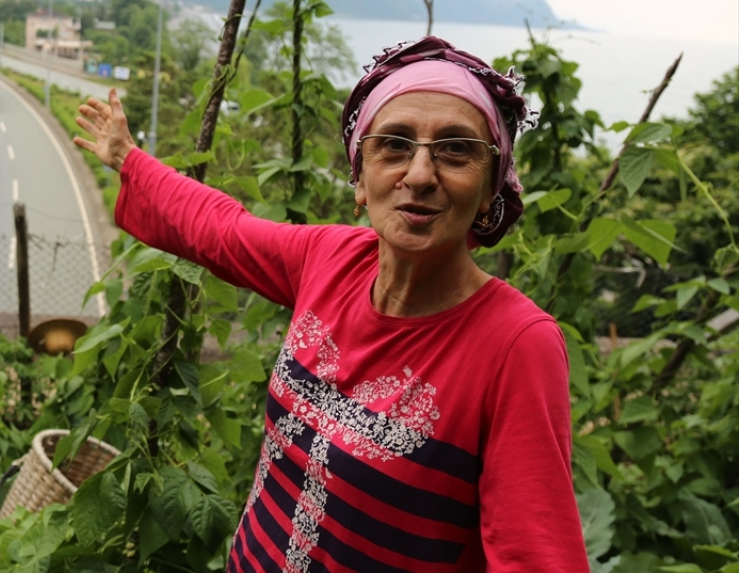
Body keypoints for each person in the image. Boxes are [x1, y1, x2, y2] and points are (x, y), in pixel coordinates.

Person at [72, 37, 588, 572]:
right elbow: (221, 230)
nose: (418, 175)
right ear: (359, 179)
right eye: (394, 145)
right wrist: (128, 159)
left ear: (489, 189)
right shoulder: (333, 259)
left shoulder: (515, 345)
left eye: (456, 149)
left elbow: (536, 556)